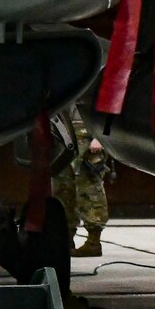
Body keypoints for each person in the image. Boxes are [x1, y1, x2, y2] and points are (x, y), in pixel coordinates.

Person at [53, 107, 113, 257]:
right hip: (62, 131)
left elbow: (109, 104)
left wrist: (100, 137)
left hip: (87, 135)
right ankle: (66, 238)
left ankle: (93, 241)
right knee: (63, 190)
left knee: (89, 189)